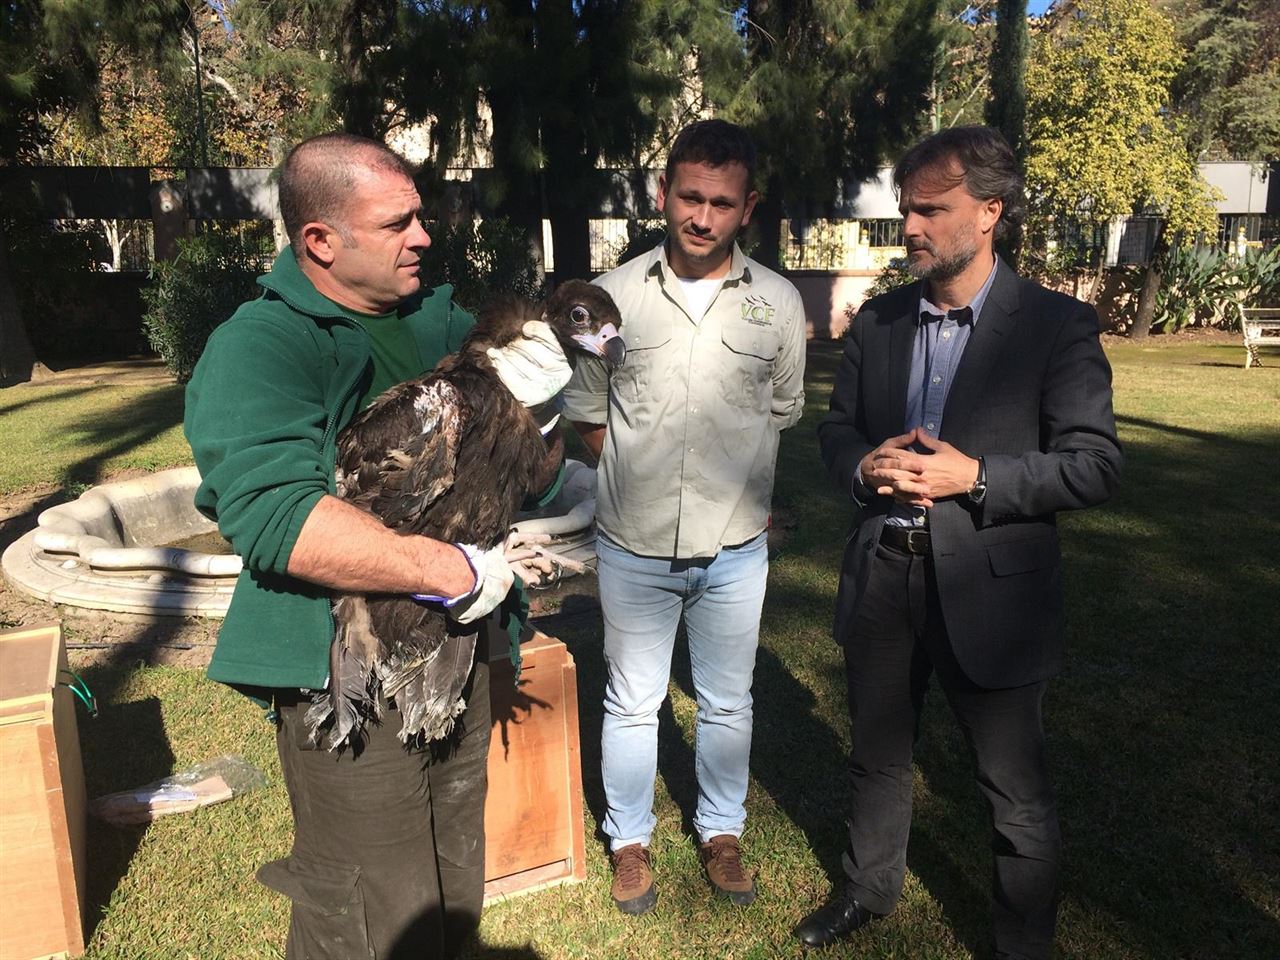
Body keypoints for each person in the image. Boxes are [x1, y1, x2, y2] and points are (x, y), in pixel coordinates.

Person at [184, 133, 559, 960]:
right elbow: (279, 515)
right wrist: (452, 571)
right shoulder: (263, 346)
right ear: (321, 240)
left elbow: (528, 478)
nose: (422, 236)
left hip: (457, 650)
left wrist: (562, 401)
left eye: (420, 215)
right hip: (345, 666)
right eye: (397, 223)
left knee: (452, 892)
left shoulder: (446, 323)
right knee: (370, 912)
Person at [796, 126, 1122, 957]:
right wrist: (863, 467)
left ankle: (1022, 943)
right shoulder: (878, 323)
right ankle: (869, 887)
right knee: (876, 756)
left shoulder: (1055, 326)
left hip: (994, 590)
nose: (908, 226)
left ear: (989, 213)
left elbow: (1093, 466)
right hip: (882, 579)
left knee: (1013, 790)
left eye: (929, 210)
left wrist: (975, 477)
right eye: (905, 209)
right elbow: (835, 435)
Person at [562, 119, 807, 915]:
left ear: (749, 207)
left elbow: (780, 411)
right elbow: (590, 417)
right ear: (662, 193)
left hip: (736, 548)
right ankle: (628, 842)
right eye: (690, 197)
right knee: (631, 700)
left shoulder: (776, 302)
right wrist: (642, 481)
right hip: (633, 546)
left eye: (723, 203)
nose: (702, 217)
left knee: (729, 699)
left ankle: (721, 831)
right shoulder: (615, 298)